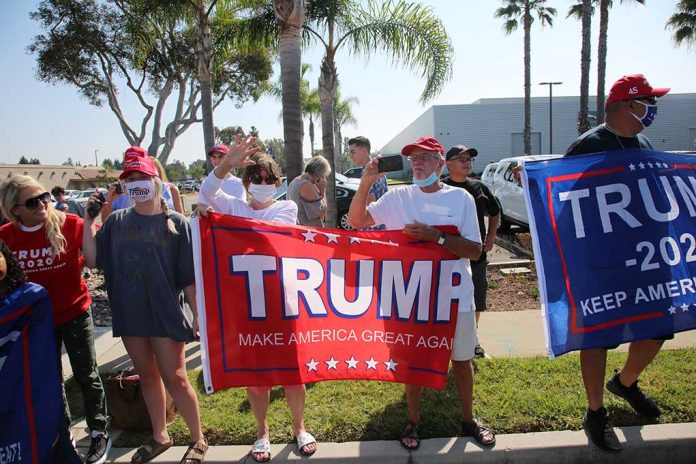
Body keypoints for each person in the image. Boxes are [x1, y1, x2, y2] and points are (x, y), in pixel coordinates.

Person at [348, 136, 495, 451]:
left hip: (455, 295)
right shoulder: (398, 197)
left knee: (462, 359)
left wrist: (436, 237)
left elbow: (474, 250)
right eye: (413, 157)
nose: (417, 162)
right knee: (413, 359)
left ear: (441, 163)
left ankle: (469, 419)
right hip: (410, 296)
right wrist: (365, 183)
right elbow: (357, 222)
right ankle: (413, 420)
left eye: (425, 157)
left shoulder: (462, 199)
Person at [565, 74, 670, 453]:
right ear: (627, 104)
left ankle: (625, 382)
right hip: (602, 262)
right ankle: (596, 413)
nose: (653, 109)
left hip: (645, 258)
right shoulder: (589, 146)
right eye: (648, 101)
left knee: (658, 327)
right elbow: (565, 201)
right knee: (600, 336)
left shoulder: (641, 142)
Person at [82, 153, 207, 464]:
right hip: (130, 311)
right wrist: (88, 219)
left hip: (164, 312)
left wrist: (198, 315)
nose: (136, 184)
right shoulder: (116, 222)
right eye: (130, 180)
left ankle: (198, 438)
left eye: (141, 179)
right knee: (147, 377)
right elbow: (94, 260)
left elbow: (187, 276)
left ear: (156, 182)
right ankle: (160, 435)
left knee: (176, 377)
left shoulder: (175, 223)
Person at [197, 136, 315, 463]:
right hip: (246, 304)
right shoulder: (234, 207)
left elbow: (270, 239)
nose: (263, 184)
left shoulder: (285, 207)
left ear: (278, 182)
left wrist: (227, 224)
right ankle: (261, 430)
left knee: (292, 373)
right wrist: (226, 165)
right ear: (245, 182)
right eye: (255, 179)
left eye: (269, 179)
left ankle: (298, 425)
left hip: (282, 300)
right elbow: (206, 194)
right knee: (256, 376)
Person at [0, 175, 110, 464]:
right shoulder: (6, 238)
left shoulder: (68, 224)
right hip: (35, 322)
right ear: (15, 210)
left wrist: (88, 220)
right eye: (33, 201)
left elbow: (94, 261)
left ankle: (98, 431)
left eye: (45, 196)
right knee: (49, 380)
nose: (43, 204)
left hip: (74, 311)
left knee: (87, 374)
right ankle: (61, 434)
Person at [443, 145, 500, 358]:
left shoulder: (479, 187)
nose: (467, 162)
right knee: (446, 299)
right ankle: (444, 340)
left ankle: (472, 340)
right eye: (461, 159)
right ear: (449, 164)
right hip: (448, 256)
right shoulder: (441, 188)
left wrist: (491, 237)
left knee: (476, 298)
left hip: (475, 255)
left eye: (469, 159)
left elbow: (495, 213)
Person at [101, 147, 184, 220]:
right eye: (130, 163)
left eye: (143, 177)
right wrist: (109, 200)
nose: (135, 165)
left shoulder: (164, 188)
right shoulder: (118, 191)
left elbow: (179, 221)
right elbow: (106, 222)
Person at [348, 136, 387, 230]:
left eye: (353, 152)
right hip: (380, 226)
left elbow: (370, 204)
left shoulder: (369, 171)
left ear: (364, 150)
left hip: (372, 230)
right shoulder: (376, 168)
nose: (351, 156)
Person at [287, 156, 330, 227]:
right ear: (318, 173)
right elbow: (322, 213)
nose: (323, 179)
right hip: (309, 232)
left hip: (300, 229)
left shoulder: (295, 181)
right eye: (323, 176)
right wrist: (322, 190)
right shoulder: (306, 185)